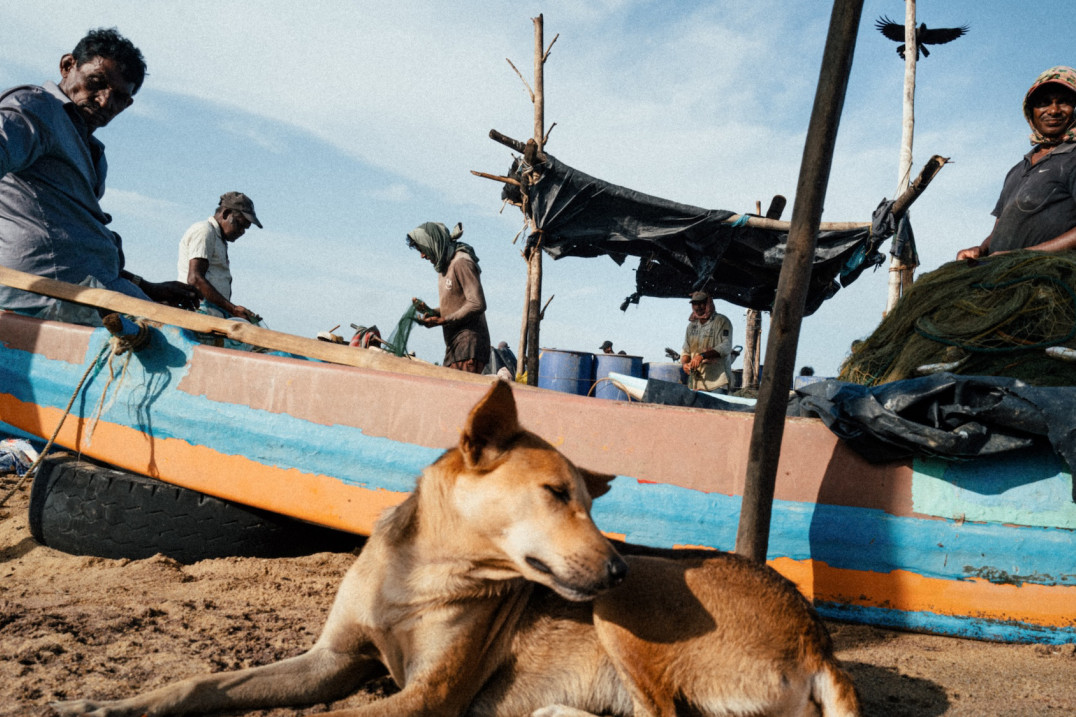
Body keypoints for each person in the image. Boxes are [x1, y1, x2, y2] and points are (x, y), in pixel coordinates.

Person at [0, 27, 198, 322]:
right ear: (68, 66)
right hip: (50, 291)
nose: (105, 102)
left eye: (119, 97)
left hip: (94, 287)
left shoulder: (93, 151)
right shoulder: (35, 109)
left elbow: (77, 236)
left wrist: (145, 287)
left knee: (207, 330)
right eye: (96, 83)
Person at [957, 66, 1076, 260]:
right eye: (1044, 103)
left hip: (1050, 275)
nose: (1053, 110)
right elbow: (1000, 228)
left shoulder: (1072, 157)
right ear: (1031, 112)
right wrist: (980, 249)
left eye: (1063, 103)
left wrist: (1025, 256)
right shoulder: (1018, 170)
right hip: (1004, 272)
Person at [406, 221, 490, 373]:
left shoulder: (461, 262)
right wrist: (432, 312)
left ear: (434, 243)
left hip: (469, 346)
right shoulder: (443, 266)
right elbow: (457, 304)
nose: (422, 256)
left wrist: (443, 320)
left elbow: (477, 304)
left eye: (423, 249)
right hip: (454, 346)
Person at [177, 192, 262, 322]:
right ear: (226, 214)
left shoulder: (220, 240)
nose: (242, 232)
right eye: (240, 225)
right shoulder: (205, 230)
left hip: (212, 316)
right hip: (197, 314)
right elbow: (195, 279)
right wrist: (233, 309)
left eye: (246, 228)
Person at [680, 291, 734, 392]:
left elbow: (726, 346)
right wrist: (685, 364)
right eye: (695, 304)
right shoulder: (691, 326)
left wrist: (702, 356)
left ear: (709, 303)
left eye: (702, 303)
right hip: (696, 383)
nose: (698, 307)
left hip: (717, 383)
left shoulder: (722, 321)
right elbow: (686, 350)